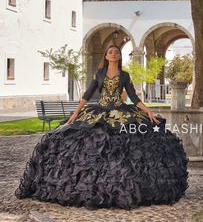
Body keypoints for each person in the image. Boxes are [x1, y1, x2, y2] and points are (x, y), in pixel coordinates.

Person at [15, 45, 189, 210]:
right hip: (100, 111)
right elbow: (87, 95)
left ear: (119, 56)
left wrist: (149, 111)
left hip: (121, 111)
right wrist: (75, 114)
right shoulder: (99, 74)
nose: (113, 54)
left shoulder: (125, 75)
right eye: (110, 52)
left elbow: (134, 97)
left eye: (116, 52)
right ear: (106, 56)